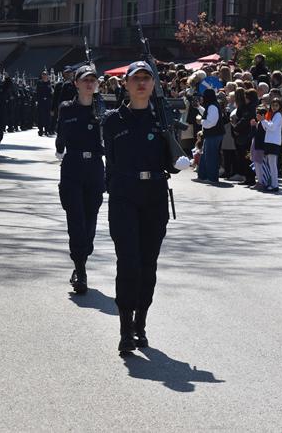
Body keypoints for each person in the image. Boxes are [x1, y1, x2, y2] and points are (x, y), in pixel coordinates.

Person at [102, 61, 191, 353]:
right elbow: (111, 161)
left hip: (154, 195)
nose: (141, 83)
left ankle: (141, 321)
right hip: (124, 195)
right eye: (136, 78)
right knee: (128, 261)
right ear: (126, 84)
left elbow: (171, 161)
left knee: (147, 263)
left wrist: (178, 159)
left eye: (146, 78)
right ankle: (125, 327)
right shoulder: (113, 120)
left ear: (153, 84)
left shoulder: (162, 118)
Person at [55, 65, 104, 294]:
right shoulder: (67, 108)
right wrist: (59, 149)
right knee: (75, 219)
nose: (89, 83)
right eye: (85, 80)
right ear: (76, 83)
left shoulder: (102, 109)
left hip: (94, 167)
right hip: (73, 166)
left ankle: (83, 256)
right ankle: (80, 270)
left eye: (93, 80)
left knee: (90, 219)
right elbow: (61, 134)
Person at [195, 88, 225, 184]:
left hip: (214, 135)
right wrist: (199, 107)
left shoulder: (212, 106)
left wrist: (201, 121)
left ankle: (212, 178)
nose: (202, 98)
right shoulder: (212, 105)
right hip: (212, 134)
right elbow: (207, 114)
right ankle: (203, 176)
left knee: (210, 156)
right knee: (205, 156)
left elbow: (211, 122)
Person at [260, 97, 282, 192]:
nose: (274, 107)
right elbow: (266, 128)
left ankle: (275, 185)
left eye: (276, 105)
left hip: (273, 142)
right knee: (270, 164)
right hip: (269, 141)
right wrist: (263, 120)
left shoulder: (278, 115)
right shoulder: (271, 114)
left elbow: (272, 127)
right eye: (273, 105)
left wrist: (263, 120)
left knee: (272, 165)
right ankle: (271, 183)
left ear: (279, 106)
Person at [36, 71, 53, 136]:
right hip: (41, 102)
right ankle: (40, 130)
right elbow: (37, 92)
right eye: (43, 74)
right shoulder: (39, 83)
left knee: (47, 117)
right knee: (41, 116)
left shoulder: (49, 83)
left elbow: (51, 92)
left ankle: (47, 130)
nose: (44, 76)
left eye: (46, 74)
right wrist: (37, 100)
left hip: (48, 102)